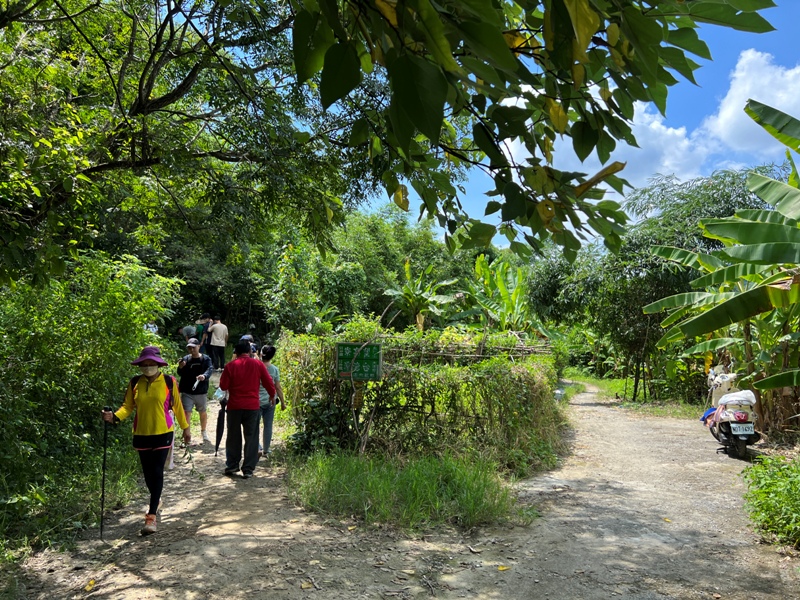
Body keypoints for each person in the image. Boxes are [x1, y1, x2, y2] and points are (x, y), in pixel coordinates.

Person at [102, 346, 191, 535]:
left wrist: (186, 428)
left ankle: (151, 516)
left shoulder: (169, 381)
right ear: (140, 365)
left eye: (151, 363)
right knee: (148, 474)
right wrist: (114, 417)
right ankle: (156, 499)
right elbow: (127, 406)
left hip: (163, 432)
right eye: (145, 364)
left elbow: (177, 406)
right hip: (141, 433)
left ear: (158, 364)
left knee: (157, 472)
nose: (148, 366)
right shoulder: (135, 382)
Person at [219, 340, 275, 479]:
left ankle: (232, 465)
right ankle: (248, 469)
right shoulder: (258, 364)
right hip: (252, 407)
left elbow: (223, 385)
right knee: (251, 437)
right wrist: (272, 395)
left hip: (234, 406)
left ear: (236, 352)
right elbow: (268, 381)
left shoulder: (230, 366)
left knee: (233, 436)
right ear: (249, 352)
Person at [177, 338, 214, 443]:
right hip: (187, 391)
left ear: (199, 346)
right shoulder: (185, 359)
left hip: (201, 391)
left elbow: (209, 369)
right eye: (189, 348)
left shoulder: (205, 359)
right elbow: (180, 373)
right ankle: (187, 435)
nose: (191, 350)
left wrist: (204, 376)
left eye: (193, 347)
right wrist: (180, 367)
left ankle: (203, 432)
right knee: (186, 413)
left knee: (202, 412)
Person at [258, 345, 285, 457]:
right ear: (272, 356)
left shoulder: (256, 367)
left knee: (255, 426)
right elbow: (278, 387)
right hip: (271, 401)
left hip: (256, 401)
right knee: (268, 426)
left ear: (261, 354)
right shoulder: (274, 369)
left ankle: (257, 447)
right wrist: (283, 402)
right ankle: (266, 450)